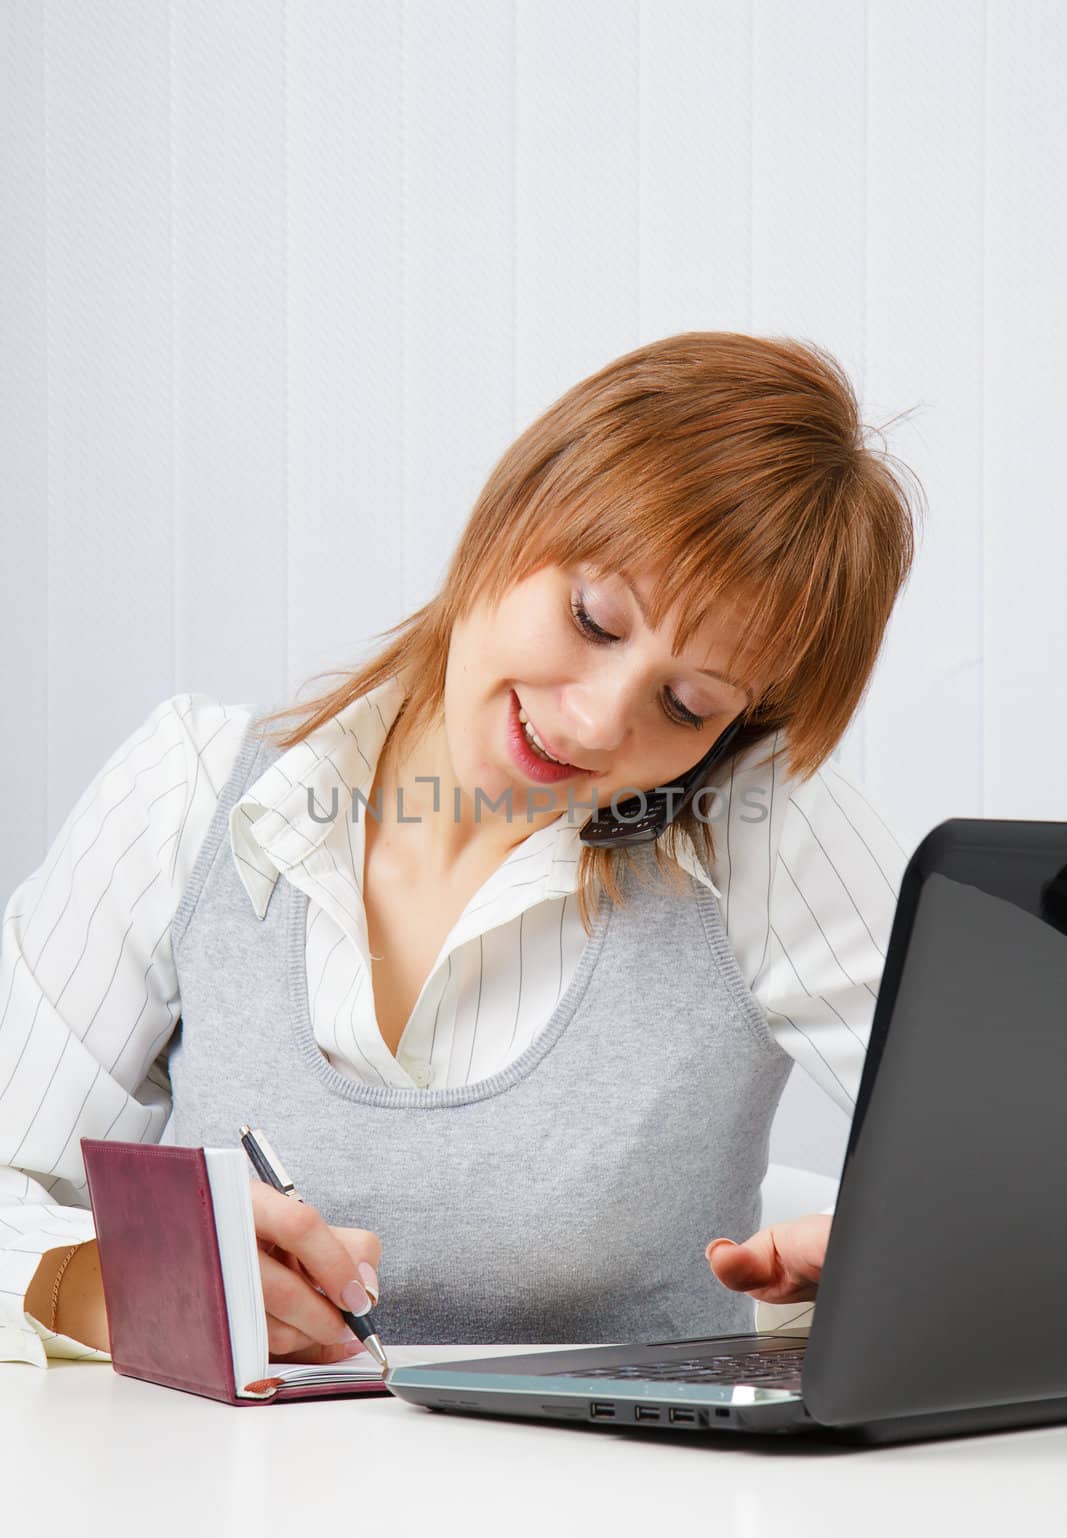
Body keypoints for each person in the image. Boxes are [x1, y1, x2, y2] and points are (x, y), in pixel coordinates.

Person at [0, 331, 923, 1368]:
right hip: (223, 1512)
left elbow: (1029, 1175)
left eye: (686, 703)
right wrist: (105, 1280)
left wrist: (917, 1267)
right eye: (591, 618)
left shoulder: (759, 836)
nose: (594, 722)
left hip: (619, 1522)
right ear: (513, 512)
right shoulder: (191, 789)